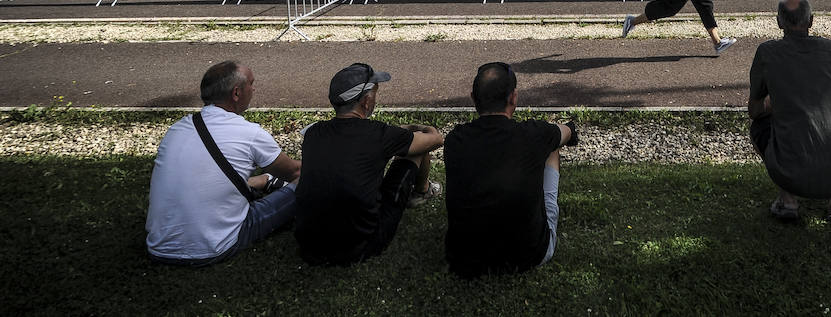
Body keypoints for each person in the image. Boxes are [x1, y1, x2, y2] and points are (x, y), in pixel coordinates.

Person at [146, 61, 301, 265]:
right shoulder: (250, 133)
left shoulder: (177, 129)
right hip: (214, 247)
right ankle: (268, 182)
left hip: (158, 247)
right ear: (236, 93)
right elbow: (297, 172)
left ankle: (262, 181)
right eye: (251, 84)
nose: (254, 89)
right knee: (309, 181)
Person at [294, 62, 445, 265]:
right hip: (358, 246)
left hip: (309, 245)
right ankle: (422, 191)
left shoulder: (314, 132)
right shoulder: (379, 134)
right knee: (416, 150)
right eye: (375, 93)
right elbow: (435, 139)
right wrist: (418, 127)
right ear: (366, 101)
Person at [444, 61, 577, 277]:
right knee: (551, 147)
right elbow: (567, 132)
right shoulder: (534, 134)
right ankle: (545, 217)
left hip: (464, 257)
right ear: (513, 98)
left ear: (473, 98)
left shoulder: (455, 140)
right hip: (529, 255)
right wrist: (568, 131)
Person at [748, 0, 831, 223]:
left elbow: (755, 111)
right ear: (811, 21)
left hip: (789, 170)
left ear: (778, 22)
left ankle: (788, 200)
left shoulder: (767, 53)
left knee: (759, 128)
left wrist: (777, 103)